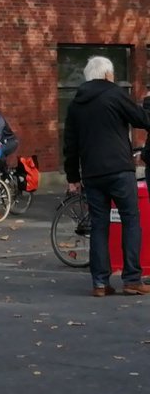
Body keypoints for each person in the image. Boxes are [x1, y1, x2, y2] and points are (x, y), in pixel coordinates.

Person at [64, 55, 150, 297]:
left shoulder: (75, 103)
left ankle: (100, 282)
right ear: (107, 75)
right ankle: (132, 279)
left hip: (92, 173)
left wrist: (73, 175)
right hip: (119, 169)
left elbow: (70, 143)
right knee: (131, 220)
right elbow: (142, 120)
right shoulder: (115, 94)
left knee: (99, 226)